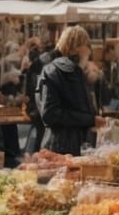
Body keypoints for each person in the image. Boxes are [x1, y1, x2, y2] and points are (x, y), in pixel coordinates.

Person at [36, 27, 99, 155]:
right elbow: (50, 114)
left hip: (61, 145)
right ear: (80, 48)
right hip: (65, 146)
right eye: (88, 48)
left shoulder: (68, 70)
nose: (89, 53)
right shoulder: (63, 71)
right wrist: (91, 119)